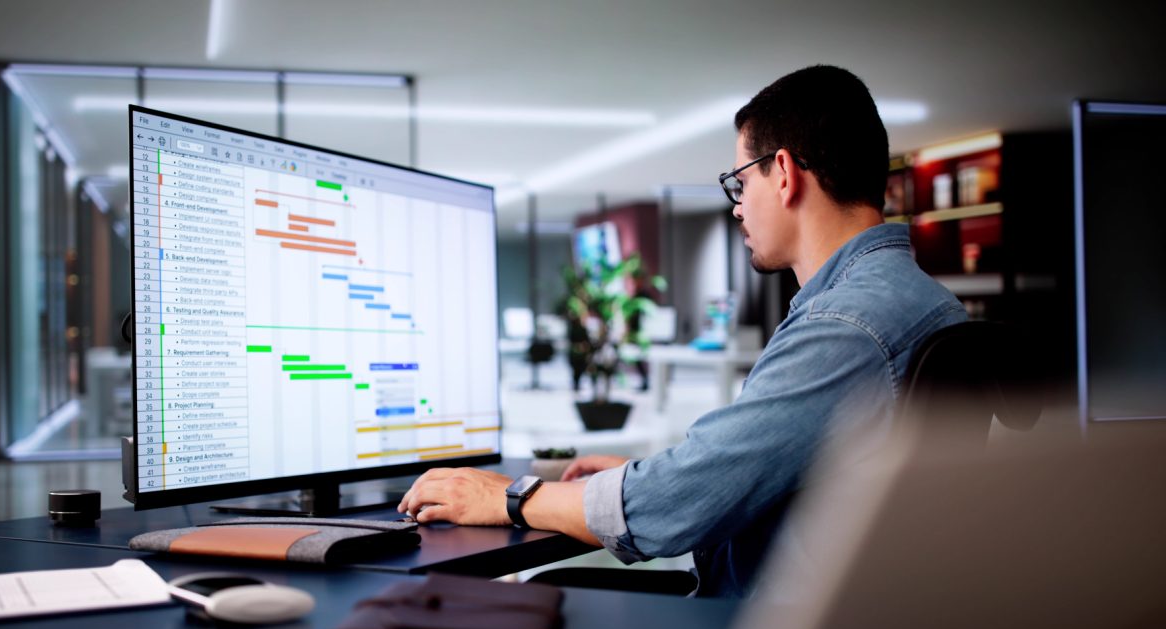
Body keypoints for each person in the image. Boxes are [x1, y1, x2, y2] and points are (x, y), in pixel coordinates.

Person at [397, 65, 967, 597]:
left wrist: (510, 496)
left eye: (740, 183)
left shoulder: (845, 327)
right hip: (851, 614)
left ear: (784, 174)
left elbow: (670, 510)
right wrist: (663, 473)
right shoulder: (929, 305)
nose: (737, 208)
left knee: (543, 596)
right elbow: (771, 463)